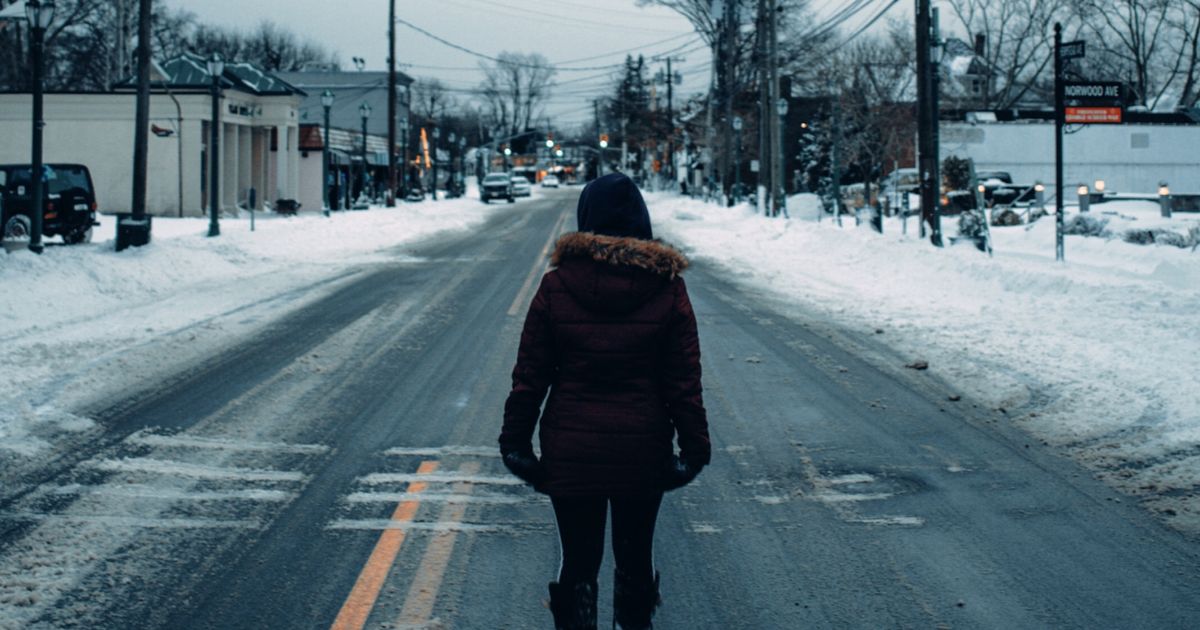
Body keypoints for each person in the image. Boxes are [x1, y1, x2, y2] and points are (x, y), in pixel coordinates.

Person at [500, 173, 711, 630]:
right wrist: (694, 450)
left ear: (585, 221)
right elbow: (682, 380)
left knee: (577, 564)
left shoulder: (557, 287)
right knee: (635, 562)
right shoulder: (668, 288)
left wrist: (516, 443)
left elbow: (530, 375)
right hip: (642, 450)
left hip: (571, 452)